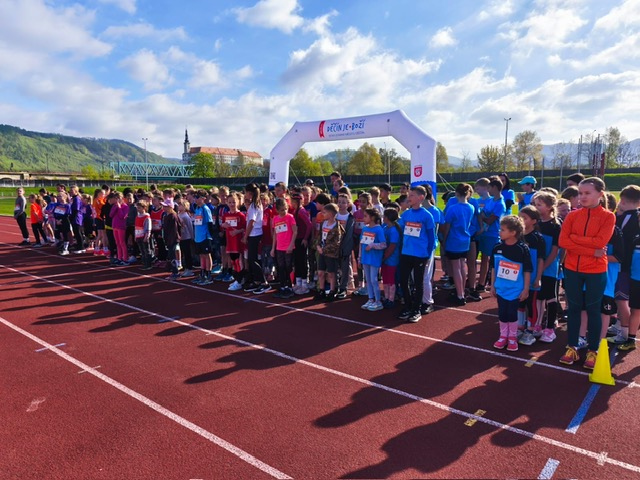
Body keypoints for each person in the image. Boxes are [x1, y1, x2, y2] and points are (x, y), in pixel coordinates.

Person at [558, 177, 615, 368]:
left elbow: (601, 242)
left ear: (600, 194)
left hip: (595, 270)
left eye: (587, 193)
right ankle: (572, 346)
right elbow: (563, 241)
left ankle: (593, 350)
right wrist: (591, 250)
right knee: (574, 309)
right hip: (572, 269)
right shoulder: (572, 215)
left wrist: (575, 239)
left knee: (593, 310)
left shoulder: (608, 217)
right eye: (580, 193)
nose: (582, 196)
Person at [491, 215, 533, 352]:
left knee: (512, 313)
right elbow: (494, 268)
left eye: (503, 230)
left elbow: (527, 270)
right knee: (502, 312)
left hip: (516, 289)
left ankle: (512, 337)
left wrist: (526, 289)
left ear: (513, 232)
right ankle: (503, 336)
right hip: (501, 288)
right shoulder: (497, 247)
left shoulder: (522, 249)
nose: (499, 232)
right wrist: (492, 285)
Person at [398, 185, 436, 323]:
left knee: (418, 282)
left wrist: (428, 253)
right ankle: (408, 306)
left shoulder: (427, 215)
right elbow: (400, 230)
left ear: (421, 197)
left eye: (412, 195)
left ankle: (416, 310)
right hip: (406, 253)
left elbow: (432, 237)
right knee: (403, 280)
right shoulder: (406, 214)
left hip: (420, 254)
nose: (409, 197)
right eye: (409, 195)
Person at [609, 186, 640, 348]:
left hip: (622, 264)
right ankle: (620, 326)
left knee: (621, 299)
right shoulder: (635, 216)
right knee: (623, 299)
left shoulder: (625, 218)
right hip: (630, 265)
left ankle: (624, 332)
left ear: (622, 200)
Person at [531, 191, 563, 343]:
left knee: (550, 296)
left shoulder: (556, 226)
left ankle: (550, 328)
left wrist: (543, 267)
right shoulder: (536, 224)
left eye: (539, 205)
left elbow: (555, 251)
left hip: (549, 267)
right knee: (539, 297)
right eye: (534, 204)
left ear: (550, 207)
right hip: (536, 266)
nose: (536, 207)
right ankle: (537, 324)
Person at [517, 206, 547, 346]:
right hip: (519, 277)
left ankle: (531, 330)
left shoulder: (537, 238)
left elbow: (540, 259)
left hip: (533, 276)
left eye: (525, 218)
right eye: (520, 216)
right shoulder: (517, 235)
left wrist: (538, 277)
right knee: (520, 303)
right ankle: (519, 327)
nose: (521, 220)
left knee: (531, 303)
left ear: (534, 221)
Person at [442, 184, 475, 306]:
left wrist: (444, 240)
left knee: (456, 267)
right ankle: (461, 292)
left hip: (454, 240)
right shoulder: (471, 207)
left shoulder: (453, 208)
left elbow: (447, 226)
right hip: (465, 240)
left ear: (456, 193)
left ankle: (460, 295)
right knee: (462, 266)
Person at [476, 179, 507, 297]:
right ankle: (481, 283)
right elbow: (482, 214)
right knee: (484, 259)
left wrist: (483, 217)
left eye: (489, 188)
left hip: (492, 234)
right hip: (484, 233)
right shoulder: (491, 201)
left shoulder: (500, 204)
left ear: (494, 188)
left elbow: (489, 220)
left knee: (491, 261)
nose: (488, 190)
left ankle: (488, 284)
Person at [242, 183, 271, 294]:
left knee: (252, 260)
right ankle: (257, 281)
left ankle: (264, 282)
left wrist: (246, 236)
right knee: (253, 259)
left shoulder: (254, 206)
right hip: (255, 234)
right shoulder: (256, 204)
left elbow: (252, 222)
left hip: (254, 234)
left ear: (249, 193)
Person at [358, 208, 387, 311]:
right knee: (368, 279)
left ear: (373, 218)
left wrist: (373, 245)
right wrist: (359, 257)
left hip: (374, 258)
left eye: (366, 216)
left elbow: (383, 244)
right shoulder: (364, 229)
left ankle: (378, 301)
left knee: (374, 279)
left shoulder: (379, 229)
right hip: (365, 258)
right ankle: (370, 299)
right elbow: (361, 244)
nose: (363, 218)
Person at [315, 203, 344, 301]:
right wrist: (318, 246)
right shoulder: (323, 223)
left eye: (324, 212)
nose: (322, 214)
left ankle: (332, 291)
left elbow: (336, 243)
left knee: (331, 273)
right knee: (320, 272)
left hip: (331, 253)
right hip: (322, 252)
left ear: (331, 214)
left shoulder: (337, 227)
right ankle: (321, 290)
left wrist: (324, 249)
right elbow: (319, 236)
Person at [271, 198, 298, 299]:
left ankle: (290, 287)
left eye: (286, 209)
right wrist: (273, 248)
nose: (284, 211)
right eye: (282, 210)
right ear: (277, 210)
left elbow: (295, 231)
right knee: (281, 267)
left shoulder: (290, 217)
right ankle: (282, 286)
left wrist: (291, 245)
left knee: (288, 267)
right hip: (279, 248)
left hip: (288, 247)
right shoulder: (275, 219)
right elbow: (275, 234)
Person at [222, 192, 247, 291]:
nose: (232, 204)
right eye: (230, 202)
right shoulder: (225, 215)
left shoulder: (240, 215)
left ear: (238, 202)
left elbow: (245, 228)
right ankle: (237, 279)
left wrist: (238, 231)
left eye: (234, 202)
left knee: (238, 261)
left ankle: (240, 280)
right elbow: (222, 226)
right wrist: (223, 225)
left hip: (238, 242)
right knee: (233, 261)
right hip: (230, 242)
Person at [192, 189, 216, 286]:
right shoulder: (197, 209)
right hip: (198, 237)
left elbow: (210, 223)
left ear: (203, 198)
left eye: (198, 197)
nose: (196, 199)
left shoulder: (206, 209)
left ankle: (209, 274)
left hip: (205, 236)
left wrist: (210, 236)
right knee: (201, 255)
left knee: (207, 255)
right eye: (195, 197)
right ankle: (202, 273)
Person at [335, 193, 355, 299]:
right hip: (334, 247)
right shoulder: (335, 215)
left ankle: (343, 288)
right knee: (334, 268)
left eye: (343, 202)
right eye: (339, 202)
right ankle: (335, 287)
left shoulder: (350, 218)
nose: (341, 204)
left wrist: (345, 246)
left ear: (348, 204)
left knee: (344, 268)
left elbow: (350, 234)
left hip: (345, 246)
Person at [382, 208, 402, 309]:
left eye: (384, 216)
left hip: (392, 260)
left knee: (391, 281)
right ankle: (386, 297)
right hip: (385, 259)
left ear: (387, 218)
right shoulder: (385, 228)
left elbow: (392, 246)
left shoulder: (394, 231)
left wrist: (384, 257)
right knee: (385, 279)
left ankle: (391, 299)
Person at [162, 199, 182, 281]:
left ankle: (175, 272)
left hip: (172, 239)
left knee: (172, 256)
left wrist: (171, 239)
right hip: (170, 239)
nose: (163, 207)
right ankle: (174, 271)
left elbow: (175, 230)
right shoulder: (167, 216)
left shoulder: (172, 216)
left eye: (165, 206)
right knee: (171, 256)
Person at [109, 191, 129, 265]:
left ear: (122, 198)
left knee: (122, 242)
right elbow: (111, 215)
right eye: (116, 198)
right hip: (115, 226)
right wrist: (116, 207)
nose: (117, 200)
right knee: (117, 243)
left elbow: (122, 216)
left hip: (121, 226)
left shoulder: (125, 207)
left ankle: (125, 259)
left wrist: (119, 207)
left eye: (118, 198)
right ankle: (119, 258)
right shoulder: (114, 206)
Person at [177, 200, 195, 278]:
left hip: (186, 237)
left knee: (187, 253)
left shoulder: (186, 216)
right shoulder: (178, 215)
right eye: (179, 205)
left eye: (181, 205)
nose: (179, 206)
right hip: (181, 237)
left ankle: (189, 269)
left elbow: (190, 227)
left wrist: (192, 236)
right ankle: (186, 268)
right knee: (184, 253)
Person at [134, 200, 153, 270]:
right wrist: (135, 236)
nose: (138, 209)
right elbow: (136, 227)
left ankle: (148, 264)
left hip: (143, 236)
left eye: (139, 208)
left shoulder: (146, 217)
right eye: (137, 208)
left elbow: (148, 228)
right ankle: (144, 263)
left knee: (146, 250)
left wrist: (147, 236)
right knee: (142, 250)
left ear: (144, 208)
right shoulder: (137, 217)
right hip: (138, 236)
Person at [68, 185, 86, 253]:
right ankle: (79, 245)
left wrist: (71, 218)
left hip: (77, 218)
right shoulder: (73, 198)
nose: (70, 192)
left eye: (72, 191)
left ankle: (81, 247)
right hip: (75, 218)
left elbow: (76, 210)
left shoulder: (76, 199)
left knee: (78, 233)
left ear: (76, 191)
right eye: (70, 190)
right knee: (76, 233)